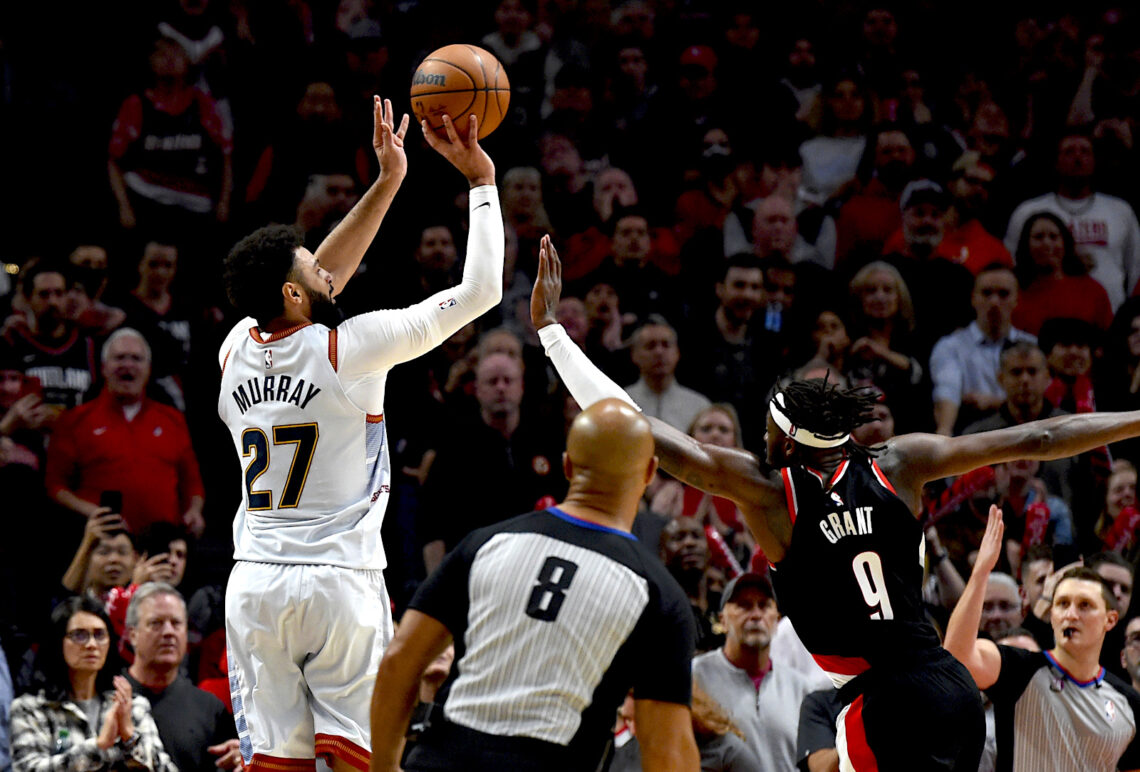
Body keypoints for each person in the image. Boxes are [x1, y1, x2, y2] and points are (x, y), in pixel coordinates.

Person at [530, 233, 1140, 770]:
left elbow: (634, 428)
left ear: (788, 438)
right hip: (949, 689)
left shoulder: (771, 494)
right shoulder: (899, 463)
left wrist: (555, 337)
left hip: (879, 701)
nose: (760, 437)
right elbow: (1041, 435)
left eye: (768, 428)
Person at [218, 100, 502, 772]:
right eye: (313, 270)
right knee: (360, 758)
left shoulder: (234, 347)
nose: (327, 272)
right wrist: (482, 180)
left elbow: (313, 281)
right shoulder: (354, 348)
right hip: (338, 582)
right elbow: (483, 289)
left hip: (255, 583)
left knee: (274, 763)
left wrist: (387, 182)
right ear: (294, 293)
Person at [370, 399, 701, 772]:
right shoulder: (660, 595)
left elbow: (399, 661)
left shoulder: (485, 543)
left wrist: (384, 765)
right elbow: (666, 751)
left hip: (441, 758)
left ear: (567, 465)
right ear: (649, 472)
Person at [944, 506, 1140, 772]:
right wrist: (981, 572)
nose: (1071, 614)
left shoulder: (1128, 702)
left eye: (1084, 605)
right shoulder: (1019, 669)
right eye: (1062, 604)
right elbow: (957, 658)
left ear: (1110, 619)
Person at [45, 329, 206, 536]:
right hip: (102, 543)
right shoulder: (75, 420)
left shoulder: (172, 420)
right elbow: (55, 486)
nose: (128, 365)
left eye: (136, 359)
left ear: (148, 369)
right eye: (119, 357)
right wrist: (94, 513)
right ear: (103, 368)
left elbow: (192, 484)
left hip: (161, 547)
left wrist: (194, 512)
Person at [9, 596, 176, 772]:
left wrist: (129, 737)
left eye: (99, 635)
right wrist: (98, 746)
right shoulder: (30, 709)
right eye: (79, 635)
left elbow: (166, 768)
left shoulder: (131, 706)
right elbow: (29, 768)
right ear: (58, 642)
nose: (92, 644)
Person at [692, 572, 816, 770]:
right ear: (722, 620)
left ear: (777, 618)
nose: (756, 615)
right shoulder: (695, 677)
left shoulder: (801, 688)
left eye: (764, 605)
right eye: (744, 605)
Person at [1004, 131, 1140, 310]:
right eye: (1069, 152)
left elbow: (1136, 268)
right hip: (1045, 315)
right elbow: (1010, 266)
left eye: (1085, 152)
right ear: (1056, 162)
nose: (1077, 157)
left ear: (1094, 161)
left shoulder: (1120, 210)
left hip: (1112, 316)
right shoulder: (1028, 211)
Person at [123, 584, 240, 772]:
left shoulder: (210, 708)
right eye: (156, 623)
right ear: (132, 634)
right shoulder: (108, 697)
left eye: (176, 623)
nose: (168, 632)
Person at [929, 265, 1034, 435]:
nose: (994, 302)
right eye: (986, 293)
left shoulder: (1033, 346)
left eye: (1003, 294)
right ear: (973, 298)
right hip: (972, 434)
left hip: (1026, 432)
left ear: (1016, 299)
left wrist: (992, 402)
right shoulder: (950, 346)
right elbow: (947, 391)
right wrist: (944, 432)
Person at [1010, 211, 1113, 335]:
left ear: (1065, 243)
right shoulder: (1011, 291)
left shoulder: (1092, 291)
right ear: (1026, 244)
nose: (1047, 244)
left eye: (1053, 237)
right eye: (1038, 237)